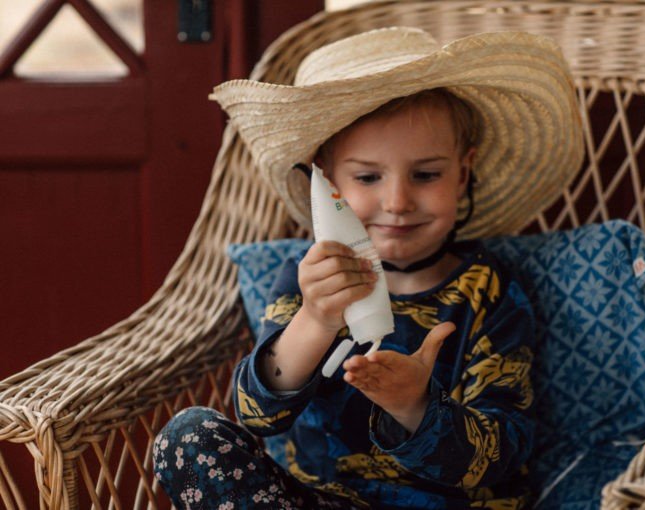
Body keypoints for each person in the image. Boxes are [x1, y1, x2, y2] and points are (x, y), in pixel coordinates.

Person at [152, 27, 584, 509]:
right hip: (323, 502)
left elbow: (503, 452)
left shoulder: (489, 290)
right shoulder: (308, 279)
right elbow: (258, 417)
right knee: (186, 436)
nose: (397, 202)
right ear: (327, 180)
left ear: (463, 173)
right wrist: (315, 320)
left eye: (426, 174)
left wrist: (415, 406)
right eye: (367, 176)